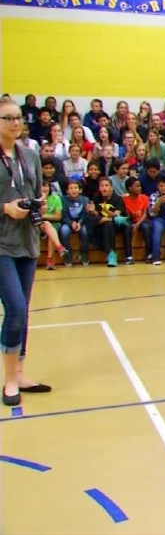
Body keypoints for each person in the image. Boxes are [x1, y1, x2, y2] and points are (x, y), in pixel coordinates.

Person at [0, 100, 50, 405]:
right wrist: (5, 208)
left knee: (24, 309)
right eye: (8, 118)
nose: (15, 123)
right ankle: (9, 380)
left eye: (18, 117)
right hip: (2, 243)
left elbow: (36, 192)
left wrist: (37, 204)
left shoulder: (30, 156)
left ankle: (19, 372)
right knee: (15, 307)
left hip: (27, 242)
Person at [90, 177, 132, 267]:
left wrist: (107, 212)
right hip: (104, 223)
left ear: (111, 188)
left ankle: (128, 256)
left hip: (117, 223)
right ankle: (112, 255)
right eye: (102, 186)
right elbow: (96, 214)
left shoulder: (117, 199)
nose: (104, 188)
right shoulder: (96, 197)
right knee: (107, 224)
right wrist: (92, 211)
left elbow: (116, 214)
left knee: (124, 223)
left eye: (106, 185)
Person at [122, 177, 151, 263]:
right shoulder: (124, 200)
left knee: (146, 227)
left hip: (142, 220)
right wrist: (132, 216)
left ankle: (149, 254)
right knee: (127, 227)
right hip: (131, 220)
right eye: (137, 186)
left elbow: (145, 214)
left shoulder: (145, 198)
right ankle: (128, 256)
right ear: (130, 188)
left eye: (140, 186)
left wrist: (138, 224)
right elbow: (127, 215)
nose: (140, 188)